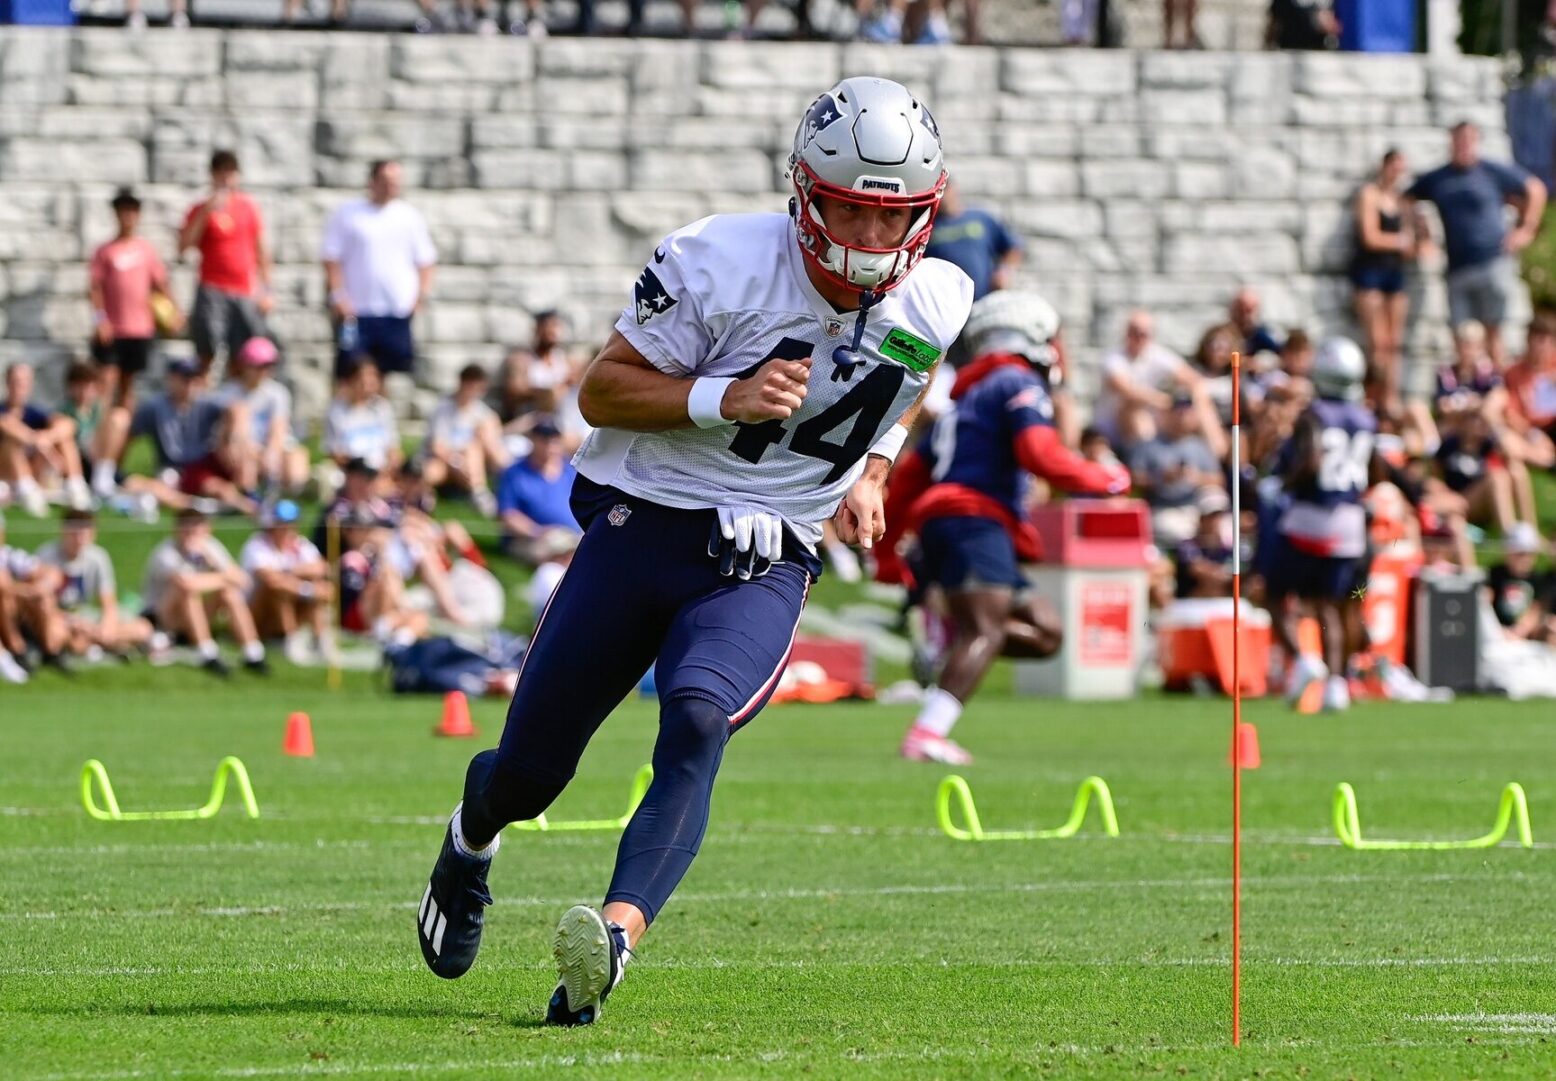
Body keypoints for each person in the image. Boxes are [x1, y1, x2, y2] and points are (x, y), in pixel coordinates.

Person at [412, 77, 971, 1026]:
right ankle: (473, 834)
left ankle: (613, 942)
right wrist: (725, 395)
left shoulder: (942, 295)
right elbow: (601, 390)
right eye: (850, 212)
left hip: (769, 550)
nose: (872, 241)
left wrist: (874, 466)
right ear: (805, 193)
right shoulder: (720, 260)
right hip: (645, 519)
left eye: (894, 219)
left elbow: (908, 379)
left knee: (700, 719)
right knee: (532, 772)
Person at [873, 291, 1129, 764]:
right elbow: (1039, 452)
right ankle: (928, 732)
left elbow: (908, 480)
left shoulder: (966, 399)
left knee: (1046, 632)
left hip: (953, 523)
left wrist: (888, 554)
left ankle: (950, 631)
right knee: (986, 631)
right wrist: (1104, 478)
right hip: (973, 520)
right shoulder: (1016, 381)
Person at [1265, 337, 1379, 712]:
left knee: (1273, 592)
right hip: (1350, 522)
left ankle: (1303, 660)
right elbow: (1374, 471)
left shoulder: (1314, 415)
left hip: (1311, 516)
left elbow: (1311, 461)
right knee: (1333, 606)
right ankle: (1336, 684)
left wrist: (1283, 482)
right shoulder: (1365, 417)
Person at [1406, 123, 1547, 365]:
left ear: (1476, 142)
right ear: (1451, 142)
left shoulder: (1491, 171)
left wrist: (1526, 229)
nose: (1463, 146)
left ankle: (1499, 393)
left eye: (1468, 140)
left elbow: (1535, 188)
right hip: (1457, 267)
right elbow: (1406, 200)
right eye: (1459, 140)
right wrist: (1421, 236)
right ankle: (1464, 392)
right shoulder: (1440, 178)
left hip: (1492, 261)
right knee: (1461, 338)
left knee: (1494, 334)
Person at [322, 160, 437, 383]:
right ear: (372, 182)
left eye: (396, 182)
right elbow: (331, 258)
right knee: (350, 370)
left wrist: (420, 296)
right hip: (356, 310)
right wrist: (338, 295)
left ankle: (381, 415)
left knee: (389, 372)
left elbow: (426, 261)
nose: (391, 186)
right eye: (386, 181)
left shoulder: (409, 216)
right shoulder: (348, 214)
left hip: (396, 309)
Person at [112, 357, 254, 516]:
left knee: (223, 479)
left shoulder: (206, 402)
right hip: (172, 468)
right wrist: (117, 469)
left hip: (202, 466)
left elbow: (238, 408)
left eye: (194, 379)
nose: (190, 384)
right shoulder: (154, 407)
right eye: (185, 379)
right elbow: (130, 436)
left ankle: (248, 497)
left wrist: (234, 439)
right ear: (171, 379)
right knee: (139, 484)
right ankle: (206, 506)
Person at [141, 508, 267, 677]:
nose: (191, 533)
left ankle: (253, 653)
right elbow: (186, 584)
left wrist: (212, 562)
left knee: (228, 593)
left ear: (207, 529)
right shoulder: (166, 553)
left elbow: (243, 581)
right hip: (165, 620)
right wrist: (223, 578)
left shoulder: (210, 547)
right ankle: (207, 653)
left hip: (198, 612)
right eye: (186, 528)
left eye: (196, 528)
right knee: (188, 593)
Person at [179, 150, 273, 377]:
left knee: (242, 352)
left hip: (243, 289)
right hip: (212, 288)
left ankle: (233, 400)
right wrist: (205, 212)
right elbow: (184, 246)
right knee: (207, 349)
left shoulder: (248, 207)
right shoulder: (200, 208)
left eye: (230, 172)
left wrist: (267, 290)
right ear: (212, 175)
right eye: (220, 172)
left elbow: (261, 251)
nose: (225, 178)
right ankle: (200, 401)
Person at [90, 187, 180, 410]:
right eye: (123, 210)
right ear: (116, 214)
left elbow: (161, 284)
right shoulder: (105, 251)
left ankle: (123, 437)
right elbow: (95, 288)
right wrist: (100, 320)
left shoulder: (146, 250)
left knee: (128, 386)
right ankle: (95, 435)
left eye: (132, 211)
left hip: (139, 328)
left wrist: (174, 313)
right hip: (112, 329)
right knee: (106, 380)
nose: (127, 216)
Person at [1092, 311, 1224, 458]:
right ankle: (1148, 460)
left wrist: (1192, 400)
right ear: (1126, 333)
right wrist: (1165, 401)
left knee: (1199, 404)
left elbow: (1192, 379)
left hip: (1154, 421)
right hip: (1114, 429)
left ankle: (1215, 459)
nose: (1139, 338)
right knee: (1135, 409)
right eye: (1135, 333)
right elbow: (1127, 390)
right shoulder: (1113, 359)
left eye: (1144, 334)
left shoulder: (1156, 354)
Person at [36, 509, 159, 660]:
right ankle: (111, 645)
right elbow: (41, 603)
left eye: (84, 534)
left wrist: (107, 625)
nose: (79, 539)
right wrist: (73, 622)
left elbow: (108, 601)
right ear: (64, 531)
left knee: (143, 629)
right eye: (75, 534)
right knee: (55, 635)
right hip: (57, 617)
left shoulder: (98, 557)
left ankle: (94, 643)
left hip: (85, 614)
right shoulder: (46, 555)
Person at [1350, 150, 1420, 414]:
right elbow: (1370, 236)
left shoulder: (1402, 200)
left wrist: (1415, 243)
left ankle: (1391, 398)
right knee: (1377, 342)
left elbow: (1413, 241)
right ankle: (1375, 398)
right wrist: (1400, 241)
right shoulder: (1370, 195)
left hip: (1394, 273)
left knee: (1394, 343)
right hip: (1370, 273)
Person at [241, 499, 335, 665]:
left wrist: (292, 574)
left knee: (319, 585)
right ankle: (291, 640)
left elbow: (322, 568)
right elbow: (270, 579)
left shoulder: (301, 545)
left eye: (290, 524)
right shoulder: (257, 545)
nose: (286, 529)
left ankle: (319, 639)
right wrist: (307, 589)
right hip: (257, 616)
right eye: (281, 524)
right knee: (277, 589)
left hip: (294, 600)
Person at [0, 362, 92, 515]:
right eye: (16, 382)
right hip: (7, 472)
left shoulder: (35, 412)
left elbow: (68, 425)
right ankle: (27, 491)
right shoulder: (3, 411)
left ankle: (76, 487)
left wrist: (47, 438)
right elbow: (7, 425)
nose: (20, 387)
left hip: (37, 468)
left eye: (24, 382)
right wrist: (35, 440)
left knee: (65, 440)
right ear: (8, 383)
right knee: (11, 443)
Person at [223, 336, 309, 498]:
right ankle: (250, 493)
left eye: (268, 366)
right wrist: (256, 454)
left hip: (271, 449)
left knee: (296, 463)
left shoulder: (278, 393)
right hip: (243, 449)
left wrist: (269, 456)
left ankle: (281, 492)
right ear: (245, 365)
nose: (264, 371)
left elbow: (278, 429)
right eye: (259, 366)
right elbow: (233, 433)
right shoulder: (230, 393)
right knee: (244, 457)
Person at [421, 364, 506, 515]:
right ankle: (422, 495)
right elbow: (437, 447)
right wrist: (456, 463)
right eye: (471, 386)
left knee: (473, 447)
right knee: (431, 471)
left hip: (470, 463)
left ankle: (481, 491)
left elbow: (493, 436)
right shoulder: (443, 409)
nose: (474, 392)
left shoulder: (482, 412)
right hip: (447, 462)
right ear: (462, 384)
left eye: (478, 388)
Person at [495, 415, 580, 563]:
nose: (549, 445)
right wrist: (537, 531)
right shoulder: (514, 473)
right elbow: (508, 516)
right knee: (559, 552)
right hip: (531, 540)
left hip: (574, 536)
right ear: (533, 440)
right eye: (544, 439)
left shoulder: (571, 470)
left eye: (554, 439)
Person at [923, 180, 1021, 302]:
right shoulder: (927, 227)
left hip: (985, 299)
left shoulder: (981, 218)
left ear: (954, 189)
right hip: (948, 304)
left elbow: (1012, 248)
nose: (943, 196)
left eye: (945, 189)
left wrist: (1004, 271)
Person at [0, 510, 70, 673]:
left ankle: (50, 650)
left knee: (43, 596)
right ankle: (18, 650)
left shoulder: (9, 556)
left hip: (20, 614)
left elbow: (52, 574)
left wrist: (38, 589)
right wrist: (20, 591)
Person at [324, 356, 401, 474]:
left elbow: (393, 449)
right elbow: (335, 455)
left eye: (373, 376)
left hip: (382, 472)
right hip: (353, 474)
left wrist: (388, 471)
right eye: (364, 377)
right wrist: (362, 473)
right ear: (351, 380)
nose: (369, 382)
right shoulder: (336, 411)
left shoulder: (383, 408)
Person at [1228, 288, 1283, 359]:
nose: (1244, 315)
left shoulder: (1264, 336)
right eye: (1240, 310)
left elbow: (1282, 357)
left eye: (1248, 310)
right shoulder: (1223, 334)